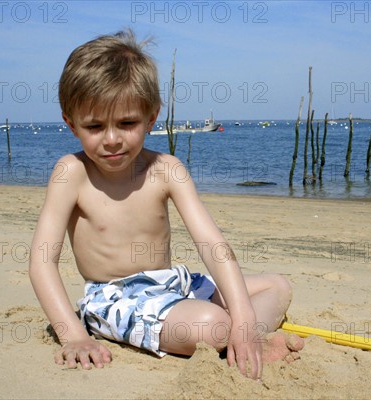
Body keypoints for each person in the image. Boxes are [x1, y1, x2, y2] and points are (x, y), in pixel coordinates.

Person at [28, 29, 303, 380]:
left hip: (173, 284)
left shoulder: (167, 169)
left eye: (127, 123)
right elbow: (42, 262)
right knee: (214, 324)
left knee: (276, 286)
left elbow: (212, 245)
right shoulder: (72, 173)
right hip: (116, 297)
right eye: (95, 126)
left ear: (151, 117)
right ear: (71, 123)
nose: (112, 140)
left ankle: (250, 336)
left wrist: (246, 320)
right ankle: (233, 335)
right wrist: (74, 336)